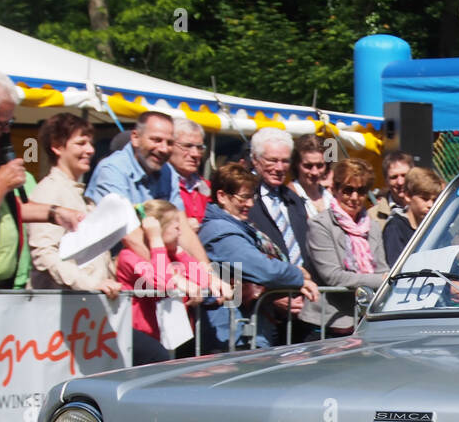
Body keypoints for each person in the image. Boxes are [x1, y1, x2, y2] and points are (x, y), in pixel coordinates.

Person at [199, 162, 319, 350]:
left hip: (244, 330)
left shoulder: (236, 226)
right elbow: (263, 268)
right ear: (222, 196)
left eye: (252, 197)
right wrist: (297, 275)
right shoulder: (219, 231)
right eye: (244, 197)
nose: (250, 204)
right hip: (229, 336)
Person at [0, 69, 82, 288]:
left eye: (11, 122)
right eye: (2, 123)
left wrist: (55, 213)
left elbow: (8, 209)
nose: (6, 131)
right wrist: (1, 183)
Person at [84, 111, 213, 273]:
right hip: (112, 273)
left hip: (154, 272)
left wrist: (208, 274)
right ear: (135, 138)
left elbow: (183, 229)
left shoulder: (168, 172)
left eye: (169, 142)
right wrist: (173, 278)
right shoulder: (112, 170)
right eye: (156, 140)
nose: (163, 148)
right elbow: (129, 235)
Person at [27, 113, 122, 297]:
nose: (90, 150)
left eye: (90, 143)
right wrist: (89, 284)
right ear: (57, 147)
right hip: (57, 310)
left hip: (87, 310)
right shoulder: (49, 191)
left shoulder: (81, 196)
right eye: (81, 143)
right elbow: (45, 255)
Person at [304, 159, 389, 334]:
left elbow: (382, 268)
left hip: (364, 320)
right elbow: (333, 277)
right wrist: (381, 281)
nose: (354, 198)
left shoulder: (372, 226)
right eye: (348, 190)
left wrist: (384, 278)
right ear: (335, 189)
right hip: (328, 323)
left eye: (361, 191)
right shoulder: (320, 225)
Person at [116, 200, 203, 364]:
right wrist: (156, 240)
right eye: (176, 228)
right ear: (159, 229)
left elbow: (202, 280)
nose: (181, 233)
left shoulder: (165, 255)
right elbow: (163, 284)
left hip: (166, 337)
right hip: (140, 338)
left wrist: (179, 250)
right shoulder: (128, 256)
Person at [245, 127, 315, 288]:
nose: (279, 168)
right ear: (255, 159)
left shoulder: (294, 199)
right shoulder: (243, 198)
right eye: (272, 160)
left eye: (285, 161)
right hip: (264, 295)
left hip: (302, 292)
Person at [382, 165, 443, 264]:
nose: (430, 205)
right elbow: (396, 267)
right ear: (408, 196)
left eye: (434, 200)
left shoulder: (433, 226)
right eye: (425, 198)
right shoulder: (395, 227)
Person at [169, 117, 210, 226]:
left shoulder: (206, 186)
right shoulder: (159, 184)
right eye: (187, 146)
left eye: (200, 148)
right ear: (170, 146)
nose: (195, 154)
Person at [290, 134, 333, 217]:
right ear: (296, 164)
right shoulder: (288, 197)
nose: (314, 172)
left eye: (320, 165)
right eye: (308, 166)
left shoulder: (329, 197)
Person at [368, 150, 412, 228]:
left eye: (404, 175)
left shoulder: (427, 207)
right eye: (394, 177)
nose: (400, 182)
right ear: (386, 181)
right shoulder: (372, 216)